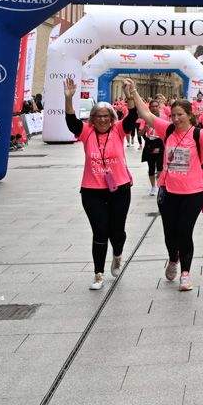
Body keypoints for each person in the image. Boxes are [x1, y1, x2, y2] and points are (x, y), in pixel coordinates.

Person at [126, 81, 203, 293]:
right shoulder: (167, 130)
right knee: (169, 233)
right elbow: (146, 114)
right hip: (168, 191)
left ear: (190, 115)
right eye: (173, 115)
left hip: (193, 192)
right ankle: (173, 259)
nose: (175, 119)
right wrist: (135, 92)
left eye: (180, 115)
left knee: (185, 231)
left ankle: (185, 273)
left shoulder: (198, 134)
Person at [63, 77, 132, 292]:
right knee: (100, 231)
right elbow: (72, 122)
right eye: (98, 116)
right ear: (92, 119)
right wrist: (68, 99)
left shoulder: (119, 130)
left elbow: (133, 119)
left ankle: (118, 254)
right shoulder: (87, 132)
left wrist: (130, 98)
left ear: (112, 118)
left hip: (119, 188)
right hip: (92, 190)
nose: (102, 120)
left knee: (117, 232)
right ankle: (98, 273)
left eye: (106, 116)